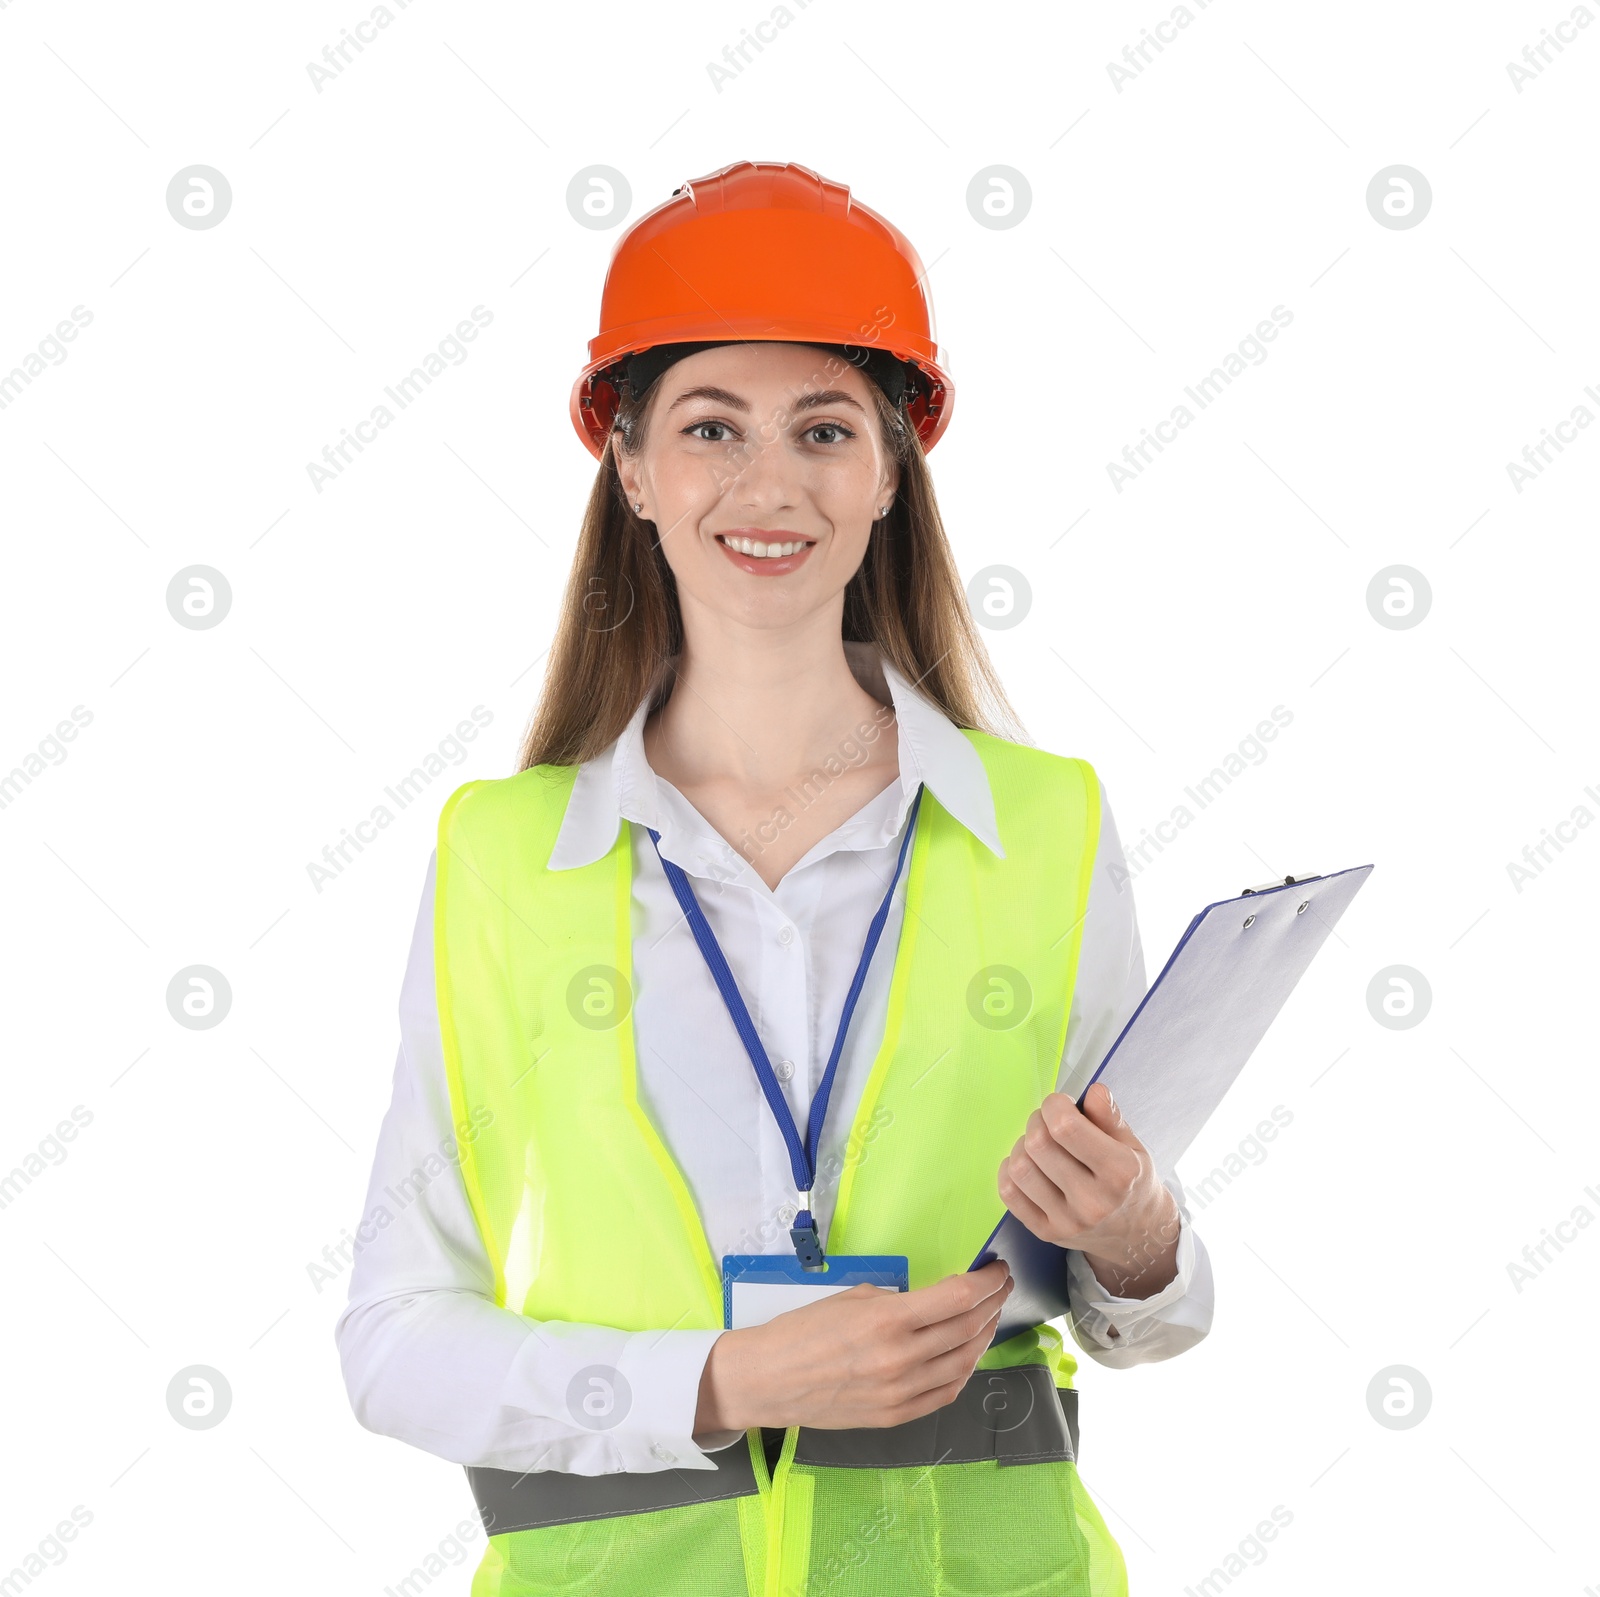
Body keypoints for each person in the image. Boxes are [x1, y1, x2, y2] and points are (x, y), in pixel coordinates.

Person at [337, 160, 1214, 1597]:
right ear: (631, 470)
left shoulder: (1045, 828)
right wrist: (722, 1379)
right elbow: (394, 1333)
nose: (768, 483)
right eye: (708, 427)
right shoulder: (503, 857)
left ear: (888, 470)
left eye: (823, 428)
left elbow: (1141, 1305)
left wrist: (1135, 1237)